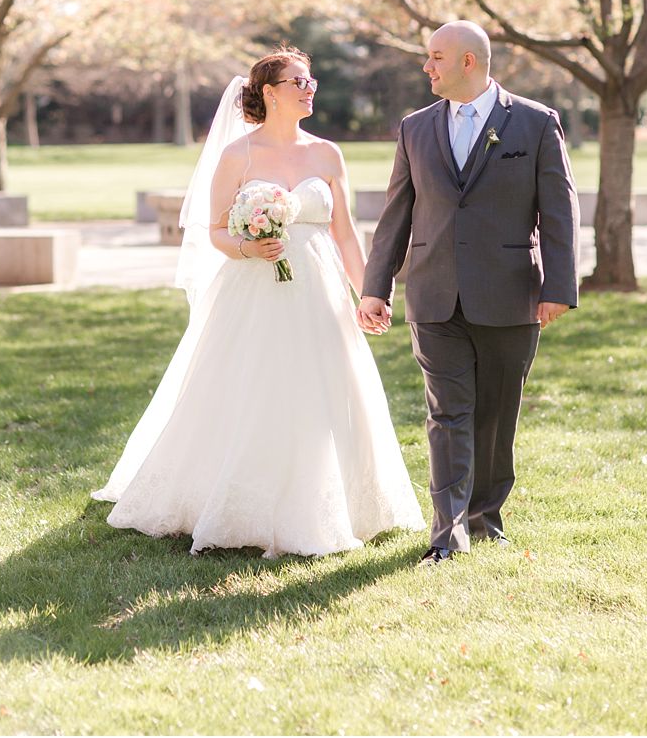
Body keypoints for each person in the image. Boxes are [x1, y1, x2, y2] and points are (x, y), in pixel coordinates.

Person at [93, 47, 426, 557]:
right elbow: (215, 233)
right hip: (253, 290)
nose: (309, 88)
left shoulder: (327, 154)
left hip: (319, 289)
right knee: (252, 386)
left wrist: (370, 293)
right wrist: (248, 245)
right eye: (298, 81)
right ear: (269, 92)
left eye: (311, 81)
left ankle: (337, 506)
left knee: (324, 388)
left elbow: (346, 235)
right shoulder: (238, 156)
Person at [357, 21, 579, 567]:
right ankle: (447, 531)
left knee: (497, 415)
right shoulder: (414, 128)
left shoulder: (535, 123)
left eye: (435, 57)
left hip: (510, 296)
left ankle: (484, 516)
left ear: (468, 62)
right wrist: (375, 287)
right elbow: (396, 215)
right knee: (447, 413)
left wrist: (558, 287)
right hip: (433, 294)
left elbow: (559, 212)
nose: (426, 67)